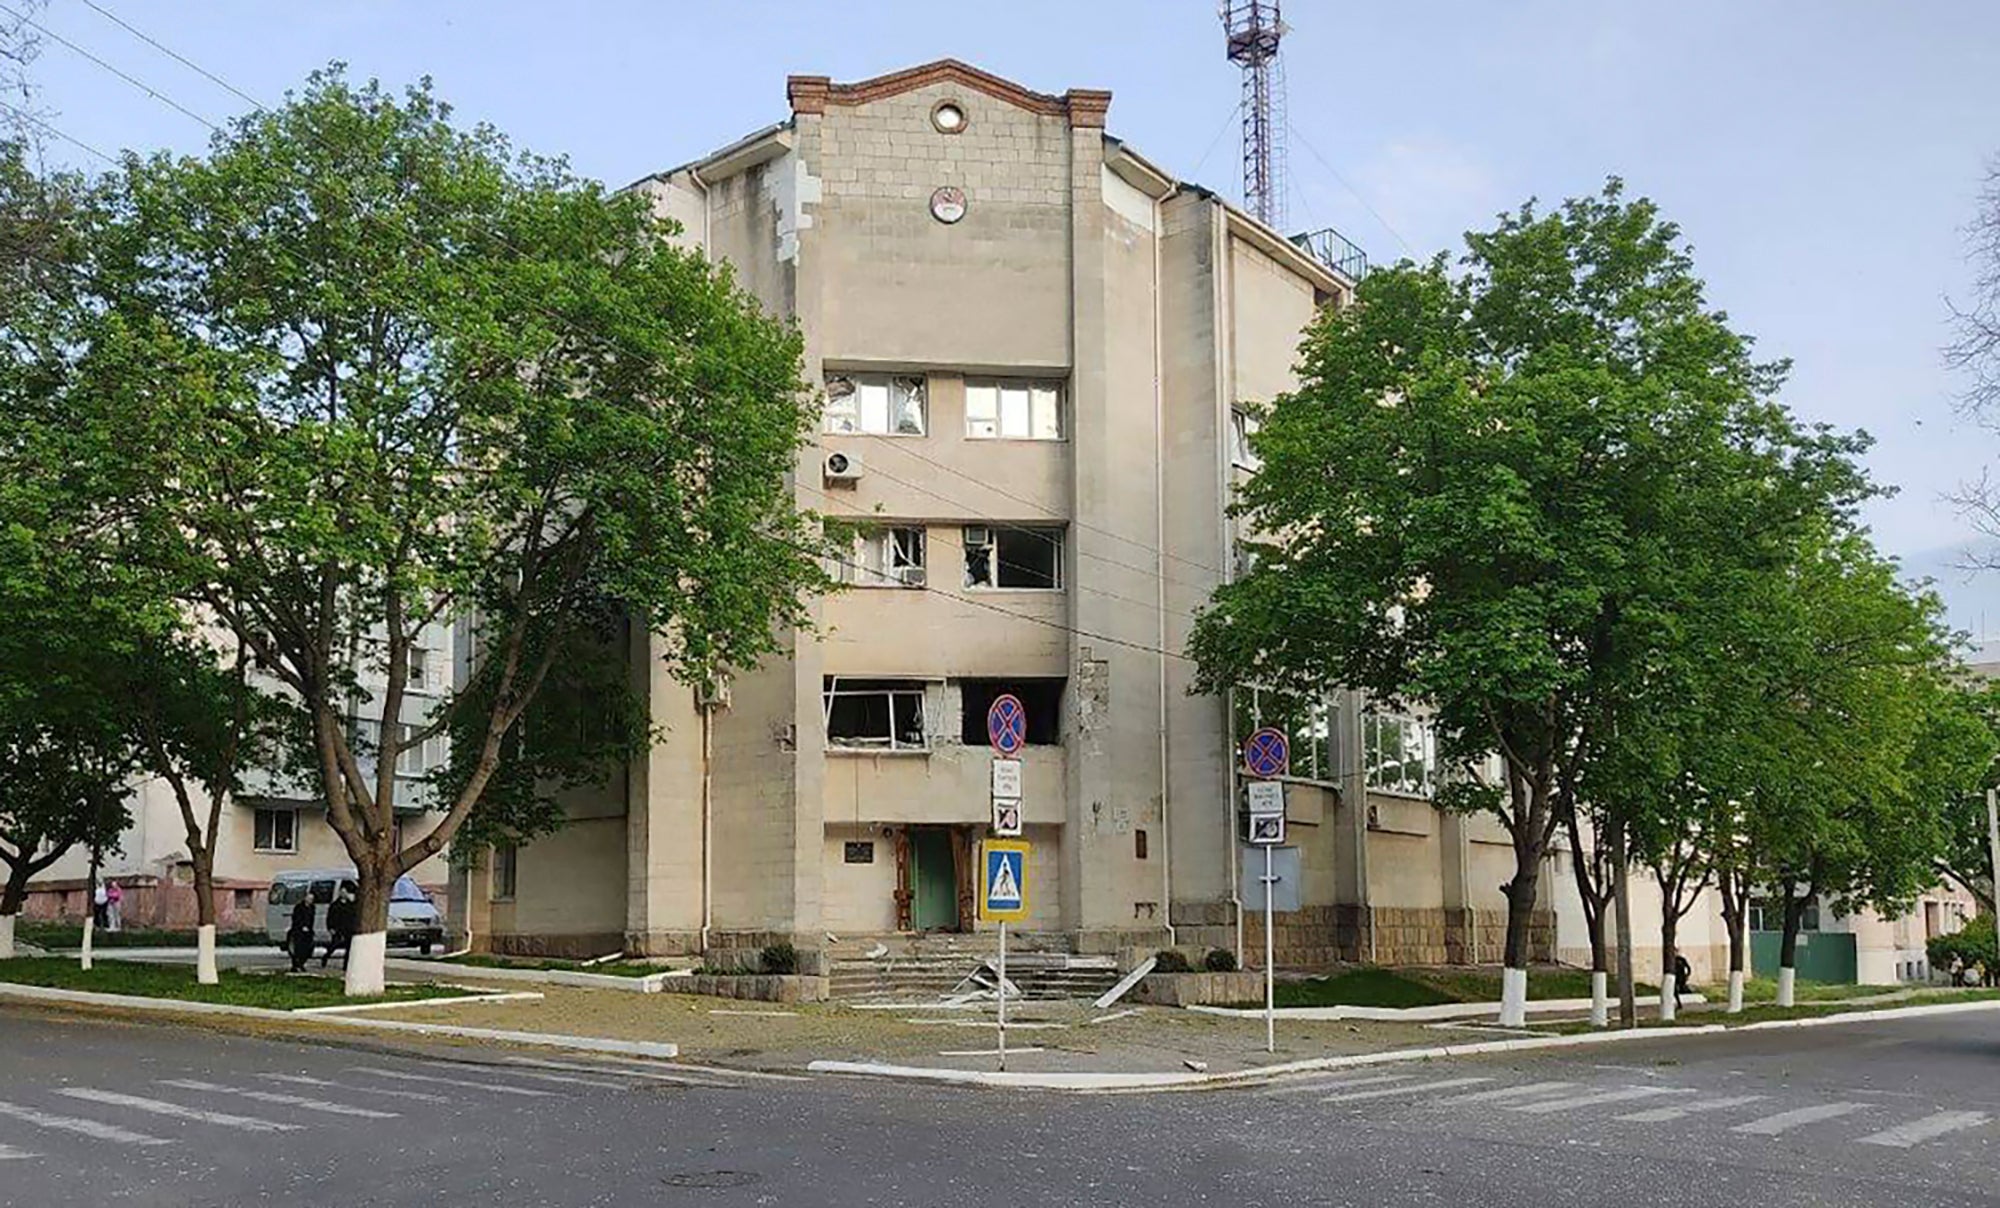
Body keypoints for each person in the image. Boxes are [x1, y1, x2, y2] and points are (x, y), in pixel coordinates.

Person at [322, 882, 357, 970]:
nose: (343, 894)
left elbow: (354, 915)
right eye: (342, 892)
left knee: (349, 949)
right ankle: (326, 956)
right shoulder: (335, 905)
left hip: (348, 929)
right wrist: (330, 928)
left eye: (345, 892)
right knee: (334, 945)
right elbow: (330, 917)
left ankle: (346, 966)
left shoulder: (351, 905)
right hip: (338, 929)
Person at [286, 894, 316, 973]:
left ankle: (301, 964)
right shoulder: (299, 907)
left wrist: (310, 929)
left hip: (308, 932)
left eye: (312, 899)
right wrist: (302, 926)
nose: (310, 900)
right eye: (309, 898)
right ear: (305, 898)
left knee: (307, 949)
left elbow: (311, 919)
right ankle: (295, 965)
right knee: (298, 949)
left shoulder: (312, 908)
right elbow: (296, 919)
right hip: (298, 931)